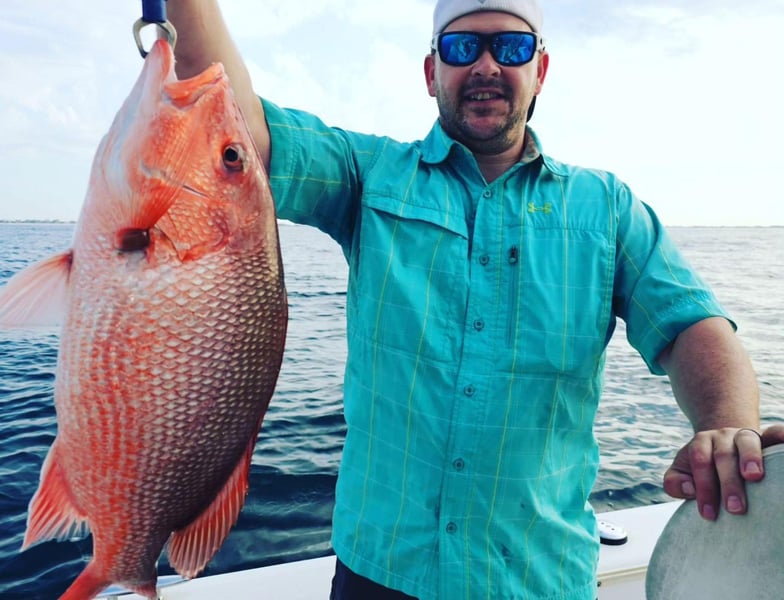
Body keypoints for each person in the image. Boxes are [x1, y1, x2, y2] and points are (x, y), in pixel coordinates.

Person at [168, 1, 784, 598]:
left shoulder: (607, 208)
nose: (486, 65)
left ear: (539, 69)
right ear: (432, 72)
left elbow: (691, 325)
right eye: (463, 47)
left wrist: (727, 423)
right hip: (380, 576)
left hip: (539, 580)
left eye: (509, 47)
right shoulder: (369, 174)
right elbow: (233, 130)